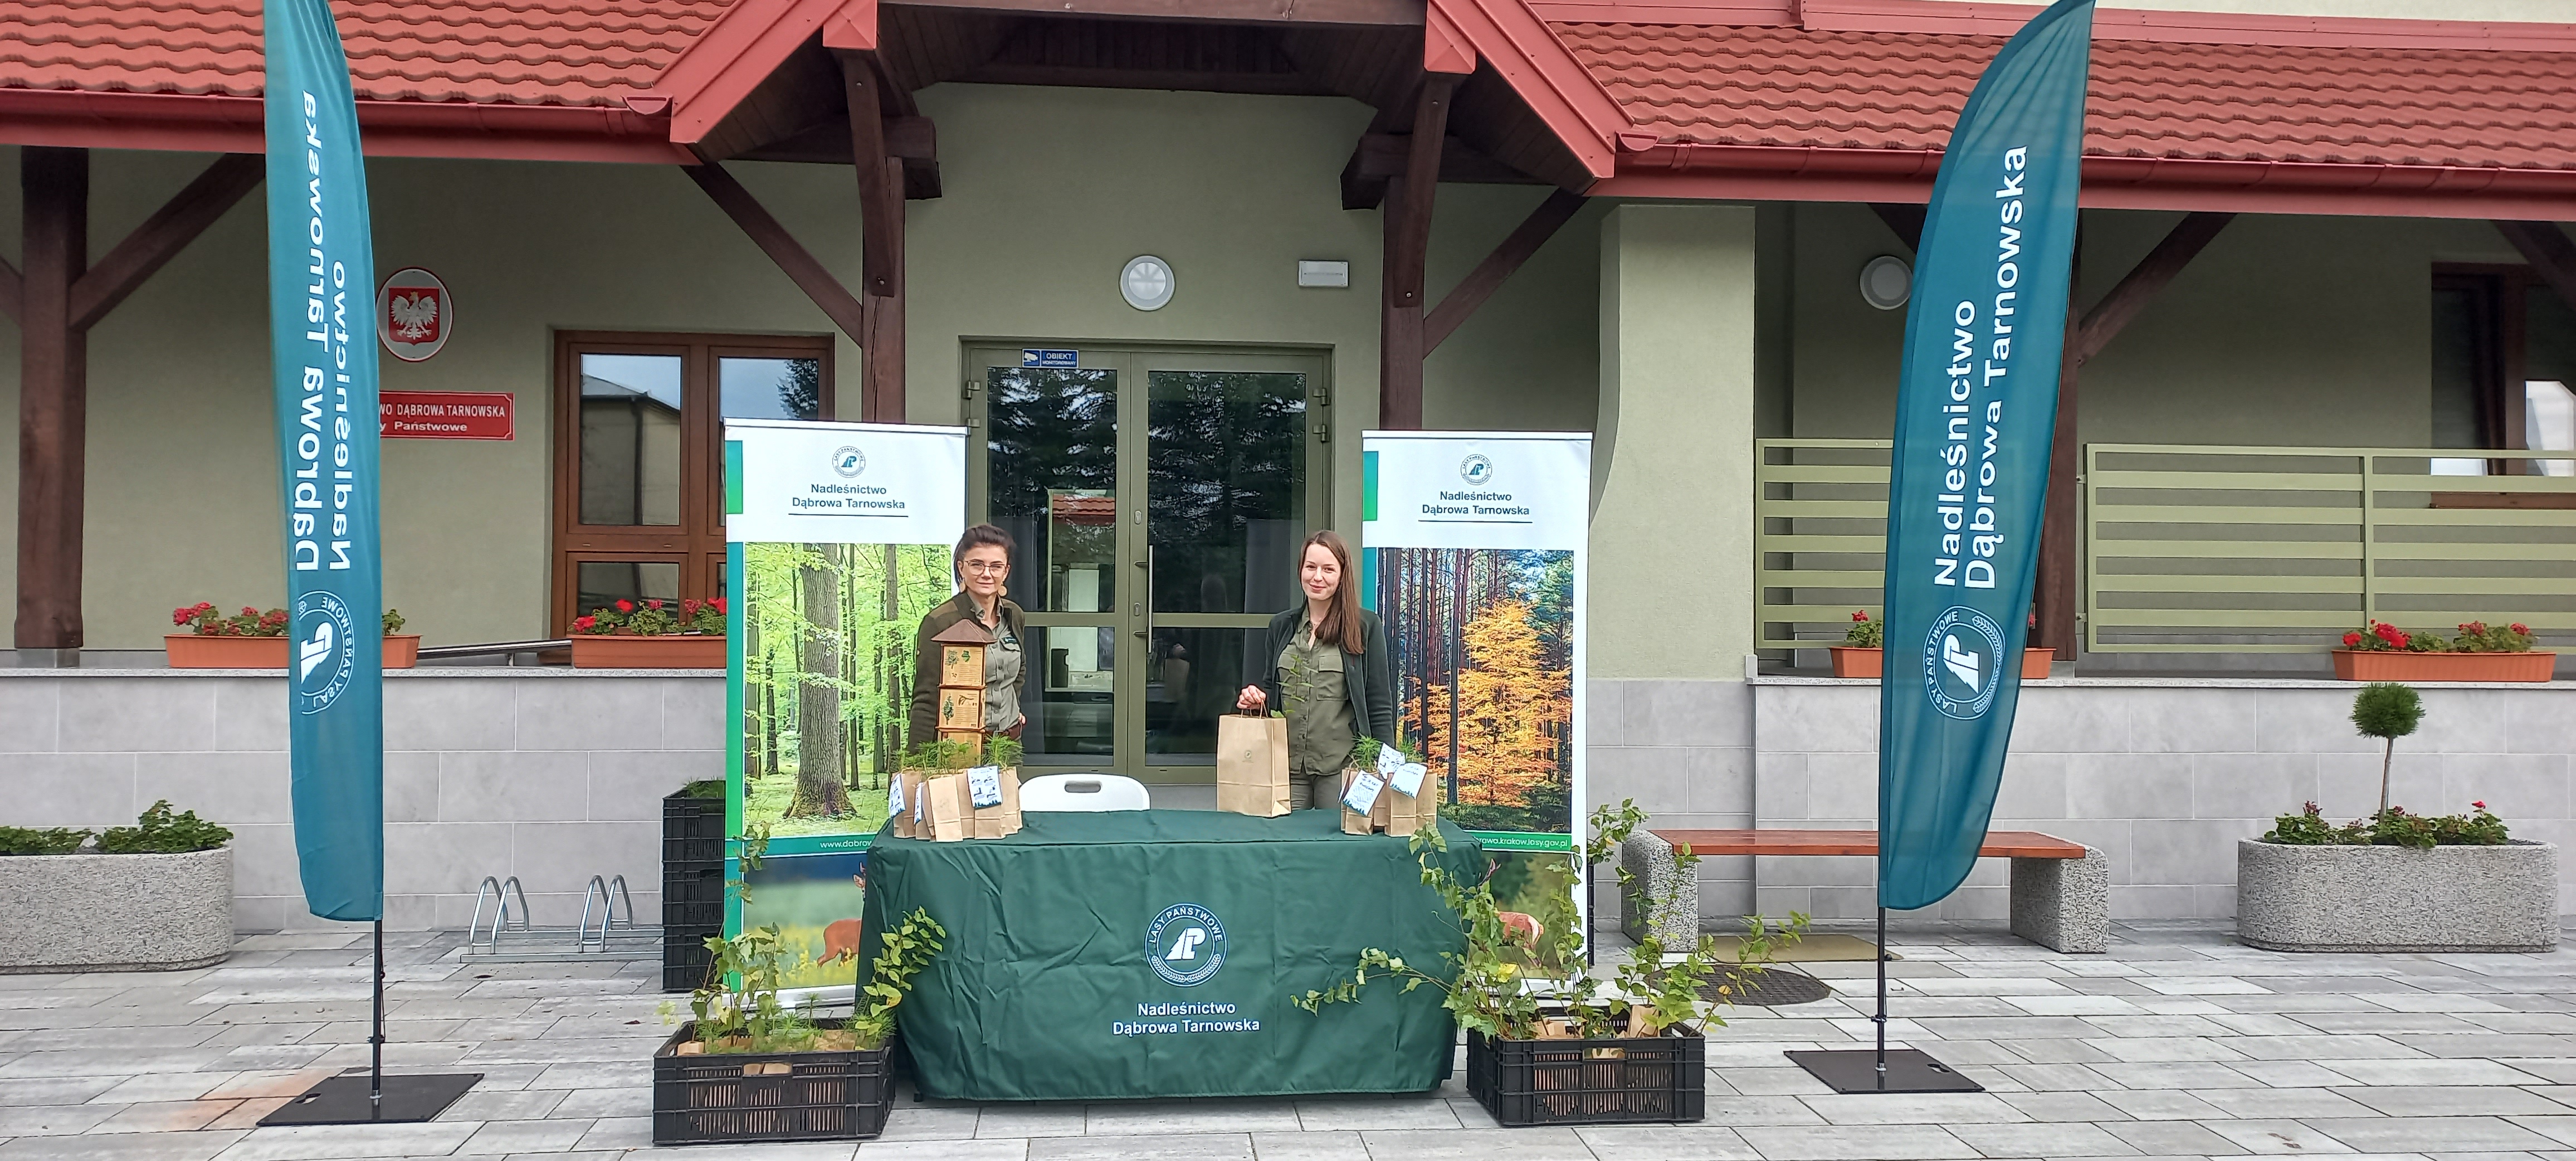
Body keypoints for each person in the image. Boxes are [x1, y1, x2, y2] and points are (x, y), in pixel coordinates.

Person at [1236, 530, 1396, 809]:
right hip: (1286, 767)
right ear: (1300, 570)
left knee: (1336, 848)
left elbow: (1378, 703)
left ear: (1342, 574)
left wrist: (1386, 768)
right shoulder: (1282, 626)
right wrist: (1253, 699)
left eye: (1328, 569)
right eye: (1310, 567)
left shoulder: (1364, 627)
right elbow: (1271, 689)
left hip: (1341, 767)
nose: (1317, 577)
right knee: (1284, 845)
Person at [909, 524, 1027, 751]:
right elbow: (926, 698)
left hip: (1007, 746)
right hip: (960, 750)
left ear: (1006, 571)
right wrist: (918, 760)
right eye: (977, 565)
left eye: (996, 566)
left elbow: (1017, 675)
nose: (986, 573)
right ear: (961, 568)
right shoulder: (941, 621)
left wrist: (1012, 708)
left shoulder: (1014, 615)